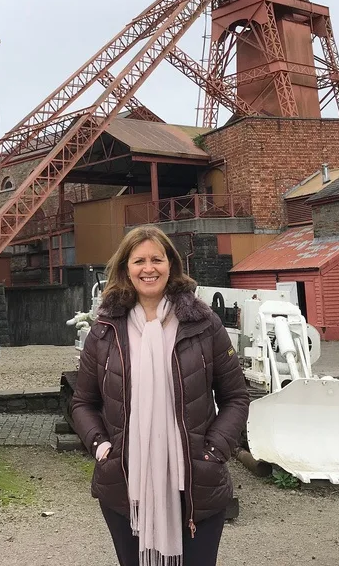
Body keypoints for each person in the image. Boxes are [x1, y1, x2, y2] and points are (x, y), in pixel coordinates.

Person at [70, 225, 250, 566]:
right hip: (126, 483)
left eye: (157, 259)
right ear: (126, 269)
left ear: (172, 265)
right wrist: (102, 448)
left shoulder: (203, 324)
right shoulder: (105, 330)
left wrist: (213, 452)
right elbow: (83, 402)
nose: (148, 268)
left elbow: (236, 397)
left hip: (196, 480)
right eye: (139, 261)